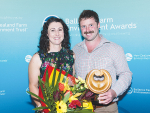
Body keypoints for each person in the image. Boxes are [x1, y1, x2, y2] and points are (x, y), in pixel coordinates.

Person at [73, 10, 132, 113]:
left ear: (98, 25)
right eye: (83, 26)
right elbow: (73, 77)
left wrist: (114, 92)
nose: (87, 30)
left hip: (106, 108)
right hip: (80, 108)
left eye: (91, 25)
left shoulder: (114, 48)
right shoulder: (75, 50)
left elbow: (126, 74)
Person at [28, 17, 75, 112]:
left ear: (64, 33)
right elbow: (33, 86)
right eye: (52, 30)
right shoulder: (38, 58)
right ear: (47, 34)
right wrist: (42, 107)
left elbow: (72, 82)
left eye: (60, 30)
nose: (57, 33)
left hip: (67, 108)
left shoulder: (71, 56)